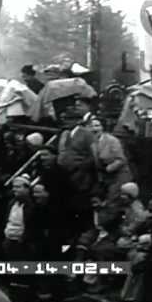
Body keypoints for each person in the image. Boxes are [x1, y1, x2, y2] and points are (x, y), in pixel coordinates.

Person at [57, 97, 96, 233]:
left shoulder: (87, 134)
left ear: (78, 120)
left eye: (69, 119)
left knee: (81, 209)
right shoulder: (64, 134)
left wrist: (80, 168)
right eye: (65, 119)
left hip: (81, 178)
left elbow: (93, 156)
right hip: (65, 177)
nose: (66, 122)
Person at [87, 116, 132, 204]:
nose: (94, 129)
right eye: (91, 126)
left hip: (119, 176)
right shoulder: (90, 142)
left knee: (112, 201)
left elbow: (121, 160)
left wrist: (108, 169)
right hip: (104, 179)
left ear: (102, 127)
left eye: (97, 126)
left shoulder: (112, 141)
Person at [2, 174, 44, 261]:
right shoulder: (11, 203)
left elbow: (32, 226)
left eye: (18, 187)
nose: (14, 189)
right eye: (14, 187)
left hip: (24, 244)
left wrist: (24, 240)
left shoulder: (33, 206)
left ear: (27, 189)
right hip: (9, 240)